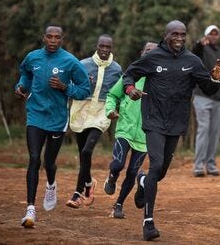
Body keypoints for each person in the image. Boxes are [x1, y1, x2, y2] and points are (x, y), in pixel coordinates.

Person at [122, 20, 220, 241]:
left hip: (176, 123)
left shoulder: (192, 60)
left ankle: (142, 181)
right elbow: (129, 74)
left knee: (159, 173)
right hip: (153, 119)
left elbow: (207, 87)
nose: (179, 38)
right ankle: (148, 222)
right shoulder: (152, 57)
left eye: (183, 34)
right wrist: (130, 89)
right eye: (175, 34)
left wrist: (215, 78)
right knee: (156, 163)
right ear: (166, 35)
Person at [15, 25, 91, 228]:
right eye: (49, 36)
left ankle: (51, 184)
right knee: (33, 158)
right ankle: (30, 209)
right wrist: (21, 86)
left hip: (57, 119)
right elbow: (25, 74)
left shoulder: (70, 61)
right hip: (35, 114)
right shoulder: (32, 57)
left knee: (49, 162)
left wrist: (66, 87)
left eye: (57, 37)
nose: (53, 40)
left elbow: (85, 90)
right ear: (44, 37)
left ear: (62, 39)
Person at [66, 34, 122, 208]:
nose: (105, 50)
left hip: (101, 114)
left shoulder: (117, 69)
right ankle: (89, 184)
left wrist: (115, 110)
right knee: (83, 153)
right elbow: (70, 86)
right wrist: (83, 84)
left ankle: (77, 193)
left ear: (112, 48)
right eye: (102, 46)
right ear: (96, 46)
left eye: (108, 47)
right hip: (81, 112)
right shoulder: (83, 65)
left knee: (86, 151)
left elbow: (119, 92)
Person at [103, 41, 157, 219]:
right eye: (147, 51)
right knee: (118, 164)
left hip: (145, 134)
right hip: (125, 127)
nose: (150, 54)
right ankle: (112, 177)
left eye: (154, 52)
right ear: (142, 53)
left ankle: (118, 204)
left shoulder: (160, 80)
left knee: (133, 172)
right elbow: (112, 94)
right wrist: (110, 110)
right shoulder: (131, 74)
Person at [191, 25, 220, 177]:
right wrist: (199, 44)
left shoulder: (219, 52)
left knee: (214, 133)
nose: (213, 36)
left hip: (219, 98)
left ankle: (211, 164)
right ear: (206, 36)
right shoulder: (203, 49)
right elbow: (195, 53)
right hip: (202, 96)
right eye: (210, 34)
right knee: (204, 130)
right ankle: (198, 166)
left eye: (216, 34)